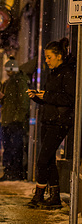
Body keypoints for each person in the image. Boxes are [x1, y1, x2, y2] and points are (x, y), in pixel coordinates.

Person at [27, 37, 76, 209]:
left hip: (59, 121)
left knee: (42, 160)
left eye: (49, 57)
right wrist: (37, 97)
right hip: (49, 120)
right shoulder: (54, 73)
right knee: (48, 161)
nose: (46, 60)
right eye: (46, 57)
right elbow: (50, 98)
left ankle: (39, 195)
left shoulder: (67, 73)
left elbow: (70, 99)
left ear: (59, 56)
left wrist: (45, 96)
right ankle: (54, 196)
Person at [0, 59, 30, 181]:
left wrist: (17, 119)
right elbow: (10, 102)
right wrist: (2, 98)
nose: (7, 72)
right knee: (9, 148)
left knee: (15, 148)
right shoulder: (10, 82)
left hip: (14, 122)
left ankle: (15, 173)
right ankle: (9, 172)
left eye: (8, 70)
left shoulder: (19, 82)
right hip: (8, 120)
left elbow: (23, 102)